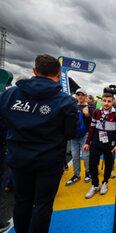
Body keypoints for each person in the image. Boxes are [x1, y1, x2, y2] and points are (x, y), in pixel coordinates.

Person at [0, 54, 78, 233]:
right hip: (49, 162)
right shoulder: (66, 101)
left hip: (18, 158)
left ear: (35, 71)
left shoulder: (9, 95)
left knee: (22, 201)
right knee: (43, 205)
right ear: (59, 74)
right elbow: (71, 133)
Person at [83, 92, 116, 199]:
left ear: (113, 102)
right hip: (96, 142)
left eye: (109, 101)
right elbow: (91, 128)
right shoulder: (96, 112)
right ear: (101, 101)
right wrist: (87, 142)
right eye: (104, 101)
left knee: (108, 164)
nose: (106, 103)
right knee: (92, 164)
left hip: (110, 144)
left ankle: (105, 182)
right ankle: (95, 185)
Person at [65, 88, 94, 186]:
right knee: (75, 156)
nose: (80, 96)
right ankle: (77, 175)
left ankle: (88, 172)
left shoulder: (90, 108)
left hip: (85, 134)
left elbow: (92, 124)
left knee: (85, 156)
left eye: (82, 95)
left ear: (86, 96)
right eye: (78, 95)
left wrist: (87, 115)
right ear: (76, 96)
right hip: (74, 136)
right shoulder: (72, 107)